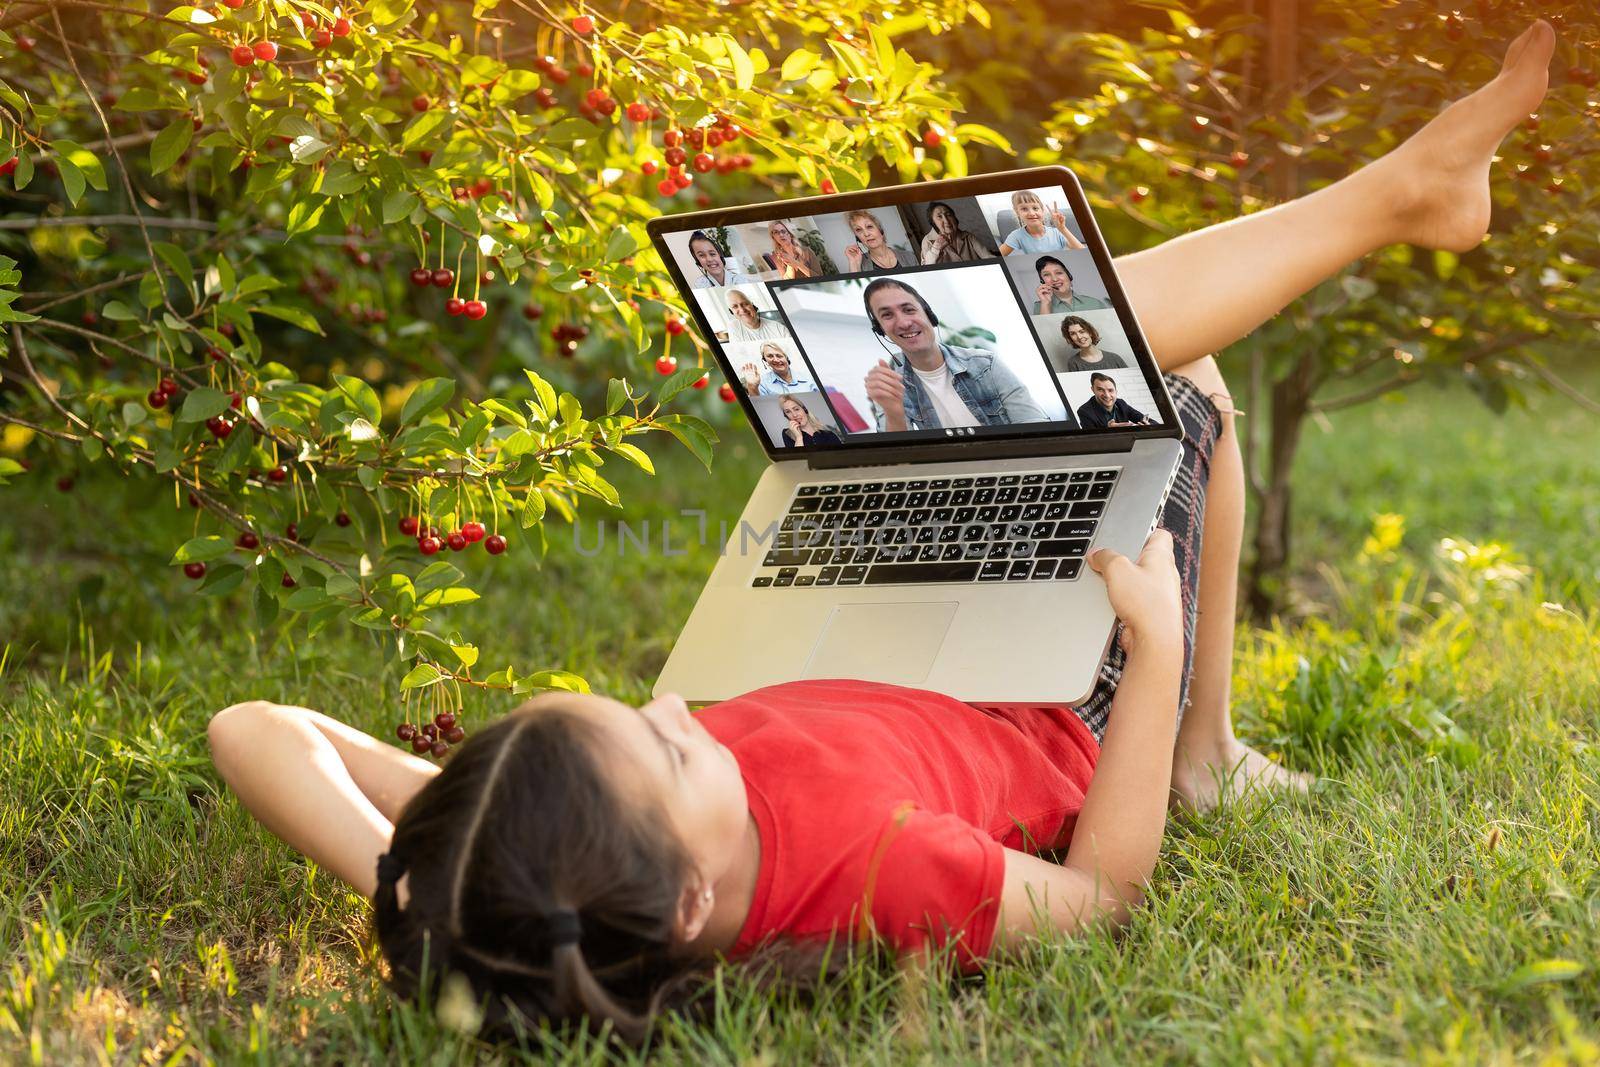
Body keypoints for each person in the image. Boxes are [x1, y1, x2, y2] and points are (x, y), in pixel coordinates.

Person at [209, 18, 1556, 1046]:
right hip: (1060, 690)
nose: (676, 698)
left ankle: (1401, 196)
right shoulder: (878, 868)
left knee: (1010, 365)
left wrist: (440, 895)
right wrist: (1148, 658)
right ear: (688, 908)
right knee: (1167, 378)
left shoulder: (558, 854)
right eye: (668, 737)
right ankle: (1201, 740)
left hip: (890, 655)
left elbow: (254, 727)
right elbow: (1101, 902)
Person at [858, 278, 1046, 432]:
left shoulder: (985, 364)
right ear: (880, 329)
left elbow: (1036, 425)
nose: (904, 323)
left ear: (929, 315)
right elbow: (898, 460)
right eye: (887, 315)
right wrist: (894, 413)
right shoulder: (889, 385)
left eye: (909, 310)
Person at [997, 190, 1088, 255]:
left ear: (1042, 210)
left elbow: (1082, 251)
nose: (1032, 213)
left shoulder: (1056, 233)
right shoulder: (1016, 236)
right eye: (1024, 209)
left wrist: (1063, 229)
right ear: (1017, 212)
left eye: (1035, 208)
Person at [840, 209, 918, 272]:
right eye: (859, 230)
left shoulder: (909, 257)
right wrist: (854, 264)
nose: (866, 234)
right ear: (858, 239)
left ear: (880, 231)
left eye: (869, 226)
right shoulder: (861, 265)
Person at [918, 201, 995, 264]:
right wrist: (936, 248)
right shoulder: (928, 241)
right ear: (933, 223)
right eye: (939, 217)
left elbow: (988, 257)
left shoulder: (968, 236)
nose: (946, 221)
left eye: (948, 215)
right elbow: (928, 269)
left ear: (955, 218)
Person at [1051, 315, 1130, 374]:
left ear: (1090, 332)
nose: (1079, 337)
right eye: (1073, 334)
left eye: (1082, 331)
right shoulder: (1073, 363)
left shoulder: (1114, 358)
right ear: (1070, 338)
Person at [1034, 256, 1110, 314]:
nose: (1054, 279)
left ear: (1069, 276)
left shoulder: (1095, 303)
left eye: (1059, 273)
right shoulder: (1040, 307)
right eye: (1047, 275)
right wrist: (1046, 304)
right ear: (1042, 282)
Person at [686, 230, 761, 289]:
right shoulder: (699, 285)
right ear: (697, 260)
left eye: (712, 254)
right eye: (701, 255)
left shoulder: (740, 280)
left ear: (720, 255)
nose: (709, 259)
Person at [1076, 373, 1153, 429]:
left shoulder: (1121, 403)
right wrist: (1109, 430)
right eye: (1100, 390)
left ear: (1116, 391)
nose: (1107, 395)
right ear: (1093, 390)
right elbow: (1092, 441)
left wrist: (1148, 425)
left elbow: (1149, 421)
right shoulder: (1084, 411)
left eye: (1110, 390)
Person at [739, 342, 816, 396]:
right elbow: (759, 407)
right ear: (765, 360)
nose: (775, 360)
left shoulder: (808, 376)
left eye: (779, 356)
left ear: (786, 357)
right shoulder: (761, 382)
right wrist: (752, 386)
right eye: (770, 356)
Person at [723, 289, 788, 342]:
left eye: (745, 304)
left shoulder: (778, 327)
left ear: (753, 306)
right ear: (731, 312)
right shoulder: (733, 327)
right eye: (735, 306)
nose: (742, 310)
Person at [776, 395, 842, 447]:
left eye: (796, 409)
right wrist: (799, 438)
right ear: (786, 416)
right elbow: (796, 461)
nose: (794, 415)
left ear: (805, 410)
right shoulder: (787, 433)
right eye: (788, 412)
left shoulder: (828, 434)